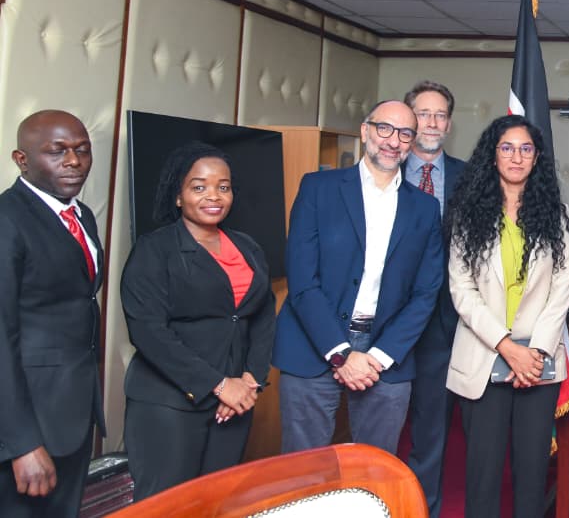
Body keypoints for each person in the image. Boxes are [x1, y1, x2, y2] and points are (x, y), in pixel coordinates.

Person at [273, 100, 444, 456]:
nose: (392, 140)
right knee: (304, 471)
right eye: (384, 128)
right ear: (365, 131)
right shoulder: (318, 188)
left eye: (404, 133)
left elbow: (426, 293)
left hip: (386, 352)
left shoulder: (425, 209)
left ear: (412, 143)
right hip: (313, 344)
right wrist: (341, 354)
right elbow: (303, 280)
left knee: (374, 470)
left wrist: (379, 356)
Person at [120, 142, 276, 499]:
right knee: (168, 504)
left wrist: (250, 380)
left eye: (223, 186)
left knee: (216, 501)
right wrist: (219, 385)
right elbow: (148, 332)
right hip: (169, 403)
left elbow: (263, 315)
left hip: (236, 401)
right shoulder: (154, 250)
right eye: (199, 186)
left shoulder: (247, 246)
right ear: (178, 196)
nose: (214, 196)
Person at [445, 115, 569, 518]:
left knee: (532, 473)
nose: (516, 157)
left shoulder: (556, 213)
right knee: (482, 476)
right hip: (483, 358)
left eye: (525, 148)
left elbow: (562, 286)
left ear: (536, 158)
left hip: (539, 361)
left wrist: (532, 352)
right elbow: (461, 291)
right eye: (507, 147)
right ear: (493, 155)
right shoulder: (469, 213)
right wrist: (506, 348)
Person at [0, 110, 105, 518]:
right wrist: (22, 443)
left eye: (82, 150)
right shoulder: (8, 220)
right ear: (21, 159)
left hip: (72, 413)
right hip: (25, 422)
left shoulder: (80, 215)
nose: (74, 161)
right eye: (56, 151)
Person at [402, 80, 469, 518]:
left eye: (439, 114)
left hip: (443, 324)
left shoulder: (469, 178)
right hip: (380, 323)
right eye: (423, 114)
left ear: (449, 123)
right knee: (377, 428)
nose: (431, 122)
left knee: (430, 430)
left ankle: (422, 509)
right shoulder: (382, 170)